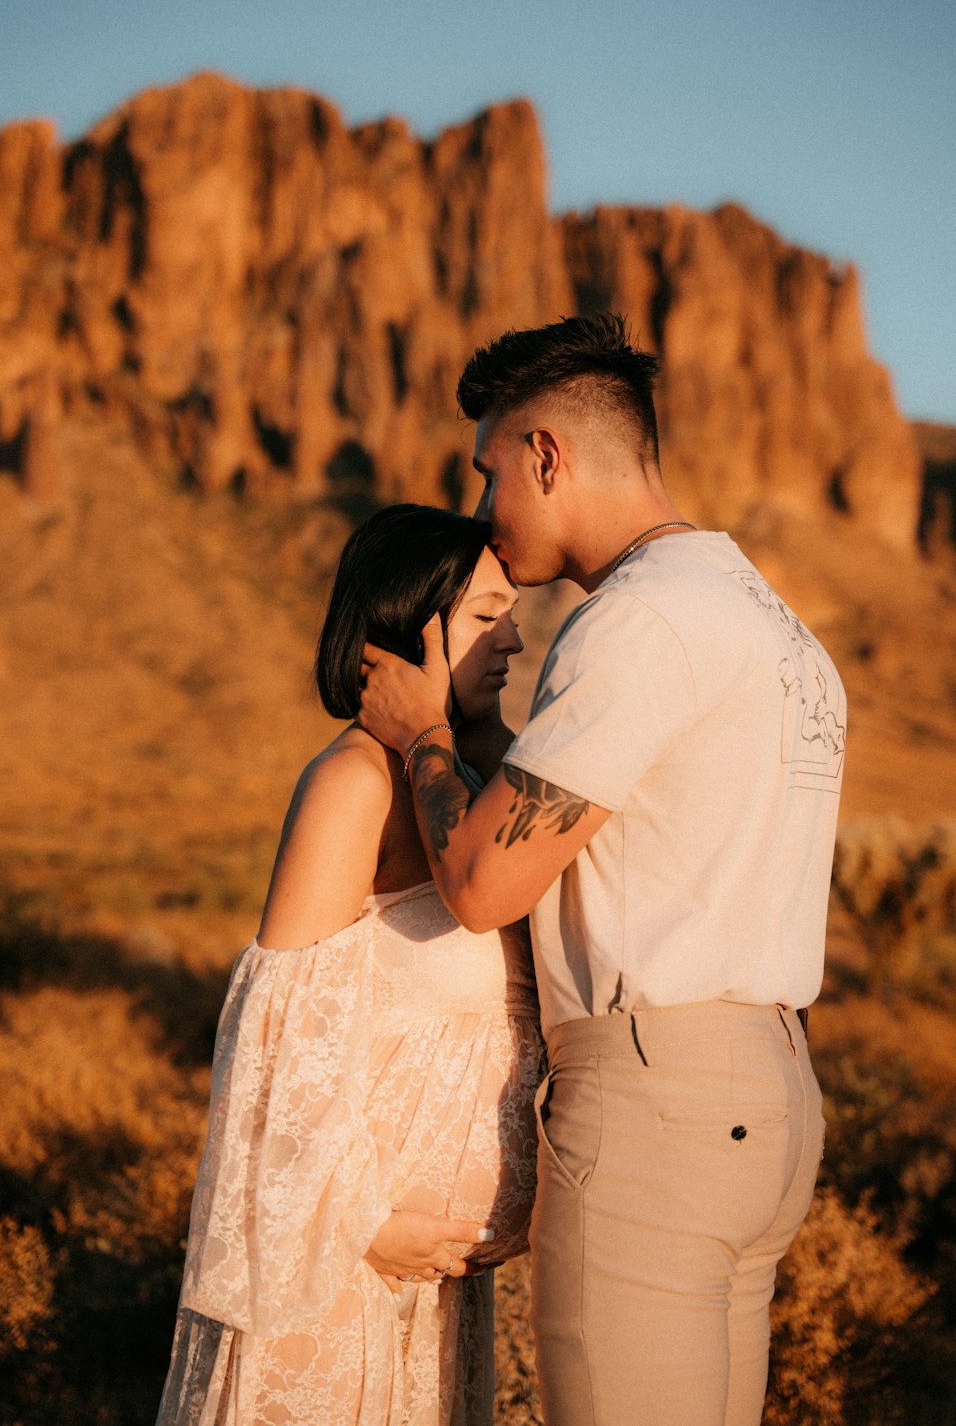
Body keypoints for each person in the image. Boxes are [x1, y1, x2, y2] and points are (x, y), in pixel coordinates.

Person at [358, 314, 847, 1426]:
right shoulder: (774, 628)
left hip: (652, 1111)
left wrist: (426, 735)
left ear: (546, 454)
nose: (486, 514)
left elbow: (484, 884)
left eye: (490, 475)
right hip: (766, 1096)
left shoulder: (639, 624)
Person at [156, 504, 543, 1426]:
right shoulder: (353, 786)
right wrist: (368, 1222)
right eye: (487, 613)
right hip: (341, 1274)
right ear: (414, 630)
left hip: (434, 1292)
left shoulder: (474, 797)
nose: (516, 634)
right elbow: (273, 1043)